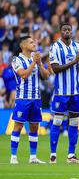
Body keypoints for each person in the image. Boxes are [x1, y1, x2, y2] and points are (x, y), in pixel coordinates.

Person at [49, 23, 79, 164]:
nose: (67, 31)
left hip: (76, 91)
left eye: (69, 30)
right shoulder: (55, 47)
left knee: (74, 122)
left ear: (72, 32)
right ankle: (53, 155)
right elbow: (56, 69)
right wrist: (75, 60)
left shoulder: (77, 47)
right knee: (57, 121)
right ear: (60, 32)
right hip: (61, 91)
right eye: (64, 29)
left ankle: (71, 155)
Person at [10, 36, 50, 164]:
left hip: (36, 99)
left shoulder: (36, 60)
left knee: (34, 126)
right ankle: (13, 157)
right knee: (18, 125)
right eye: (31, 42)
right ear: (23, 46)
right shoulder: (17, 60)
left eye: (34, 41)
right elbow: (24, 75)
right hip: (23, 98)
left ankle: (33, 157)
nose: (34, 43)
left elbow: (46, 76)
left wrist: (39, 64)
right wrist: (34, 62)